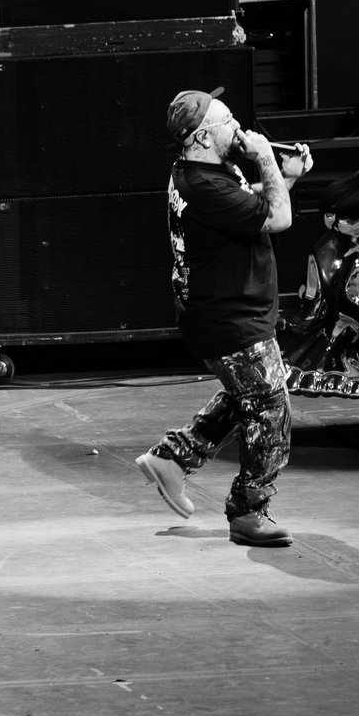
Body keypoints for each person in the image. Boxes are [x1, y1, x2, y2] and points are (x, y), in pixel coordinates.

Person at [136, 87, 309, 547]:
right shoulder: (204, 185)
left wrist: (282, 175)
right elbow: (278, 218)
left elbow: (251, 206)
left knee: (248, 395)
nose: (238, 125)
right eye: (228, 119)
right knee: (271, 409)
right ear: (205, 135)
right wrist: (269, 160)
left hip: (220, 313)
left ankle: (172, 459)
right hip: (230, 318)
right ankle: (249, 512)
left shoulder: (196, 171)